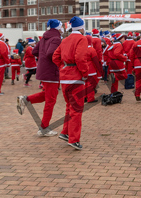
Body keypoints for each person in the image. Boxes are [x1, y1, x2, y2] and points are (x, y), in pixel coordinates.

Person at [17, 19, 63, 136]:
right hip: (51, 72)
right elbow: (50, 53)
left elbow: (34, 52)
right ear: (58, 28)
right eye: (62, 26)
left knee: (46, 95)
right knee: (51, 100)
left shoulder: (44, 38)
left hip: (44, 71)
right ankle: (44, 128)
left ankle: (25, 99)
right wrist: (59, 61)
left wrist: (43, 60)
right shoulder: (56, 38)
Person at [52, 16, 89, 150]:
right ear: (82, 28)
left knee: (69, 106)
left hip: (65, 77)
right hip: (76, 77)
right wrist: (85, 73)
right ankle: (74, 139)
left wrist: (63, 66)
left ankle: (65, 132)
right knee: (76, 109)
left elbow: (55, 57)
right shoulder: (82, 39)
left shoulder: (65, 39)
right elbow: (80, 57)